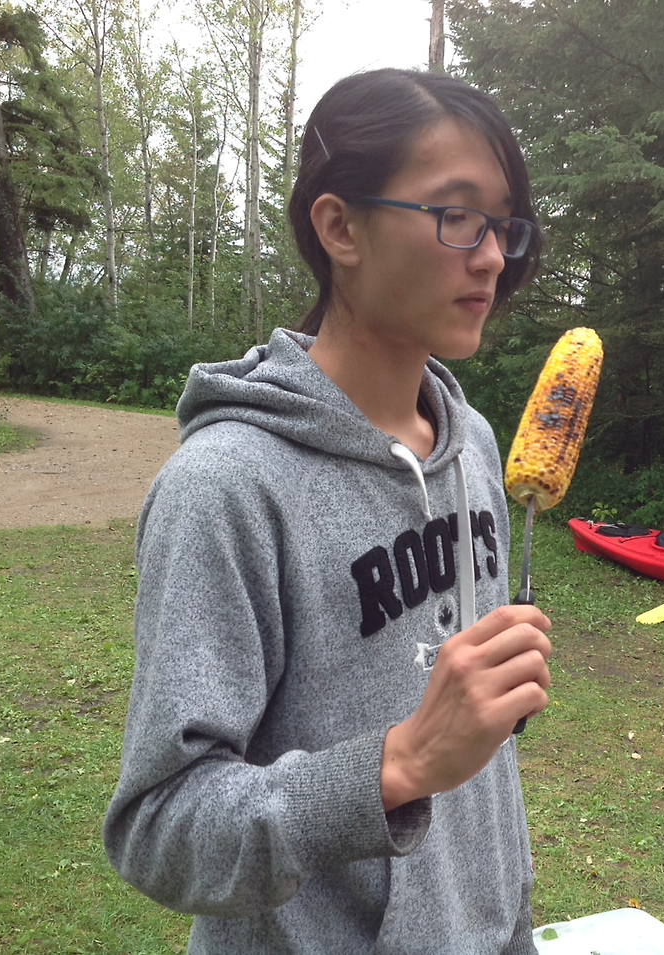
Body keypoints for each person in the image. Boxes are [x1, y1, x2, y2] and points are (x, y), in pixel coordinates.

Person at [104, 68, 554, 954]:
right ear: (341, 227)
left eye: (502, 224)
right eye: (457, 215)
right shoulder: (226, 486)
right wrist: (398, 764)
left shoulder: (473, 445)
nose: (493, 257)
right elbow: (160, 828)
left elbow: (472, 765)